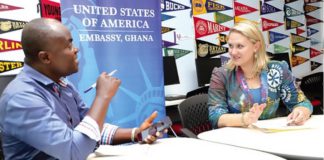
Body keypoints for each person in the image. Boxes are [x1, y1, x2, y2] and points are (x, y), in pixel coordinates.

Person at [0, 18, 164, 160]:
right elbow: (73, 152)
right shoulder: (22, 98)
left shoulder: (62, 84)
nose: (76, 49)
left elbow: (90, 129)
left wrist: (135, 133)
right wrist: (102, 96)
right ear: (45, 57)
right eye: (68, 45)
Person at [208, 21, 313, 129]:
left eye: (240, 46)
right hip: (237, 138)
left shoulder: (278, 70)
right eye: (230, 46)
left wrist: (301, 111)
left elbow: (302, 102)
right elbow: (215, 116)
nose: (233, 52)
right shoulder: (221, 75)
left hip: (271, 136)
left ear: (256, 46)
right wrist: (245, 118)